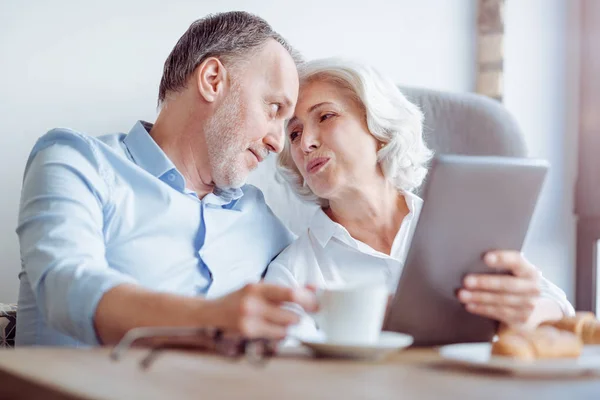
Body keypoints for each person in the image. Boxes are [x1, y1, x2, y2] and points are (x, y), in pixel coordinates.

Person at [16, 11, 317, 347]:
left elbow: (319, 282)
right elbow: (65, 284)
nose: (277, 142)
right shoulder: (77, 161)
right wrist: (209, 321)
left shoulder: (261, 218)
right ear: (213, 79)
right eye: (274, 108)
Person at [265, 58, 574, 337]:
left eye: (326, 116)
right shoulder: (293, 269)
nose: (305, 142)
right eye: (293, 133)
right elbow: (285, 359)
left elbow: (560, 307)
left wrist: (521, 312)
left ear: (380, 128)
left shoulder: (462, 231)